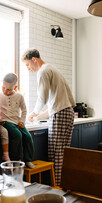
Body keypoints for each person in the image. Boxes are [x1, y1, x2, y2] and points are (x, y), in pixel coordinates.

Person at [22, 49, 75, 185]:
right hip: (68, 112)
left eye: (28, 65)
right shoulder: (52, 68)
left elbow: (42, 97)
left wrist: (33, 113)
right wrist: (41, 114)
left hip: (60, 114)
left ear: (34, 59)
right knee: (64, 153)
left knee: (56, 154)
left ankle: (56, 189)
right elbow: (59, 100)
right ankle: (64, 184)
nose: (28, 69)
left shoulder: (43, 71)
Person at [0, 73, 35, 169]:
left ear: (15, 87)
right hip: (5, 121)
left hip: (17, 121)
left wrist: (22, 121)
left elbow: (24, 110)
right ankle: (17, 160)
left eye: (8, 89)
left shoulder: (19, 96)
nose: (5, 91)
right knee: (17, 135)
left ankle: (28, 159)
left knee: (28, 137)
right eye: (3, 87)